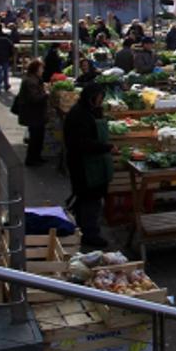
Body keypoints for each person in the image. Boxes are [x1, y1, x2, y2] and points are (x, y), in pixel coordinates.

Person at [63, 83, 113, 248]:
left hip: (88, 163)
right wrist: (107, 147)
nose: (101, 100)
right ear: (91, 97)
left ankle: (84, 229)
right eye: (99, 97)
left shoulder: (86, 111)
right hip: (84, 164)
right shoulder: (79, 115)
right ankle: (90, 234)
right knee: (90, 199)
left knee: (87, 198)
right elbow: (83, 143)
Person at [15, 59, 49, 166]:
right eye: (41, 68)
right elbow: (34, 98)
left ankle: (36, 157)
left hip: (34, 113)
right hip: (33, 114)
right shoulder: (31, 81)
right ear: (36, 69)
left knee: (37, 137)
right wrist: (46, 94)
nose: (43, 70)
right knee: (35, 138)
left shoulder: (33, 79)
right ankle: (32, 159)